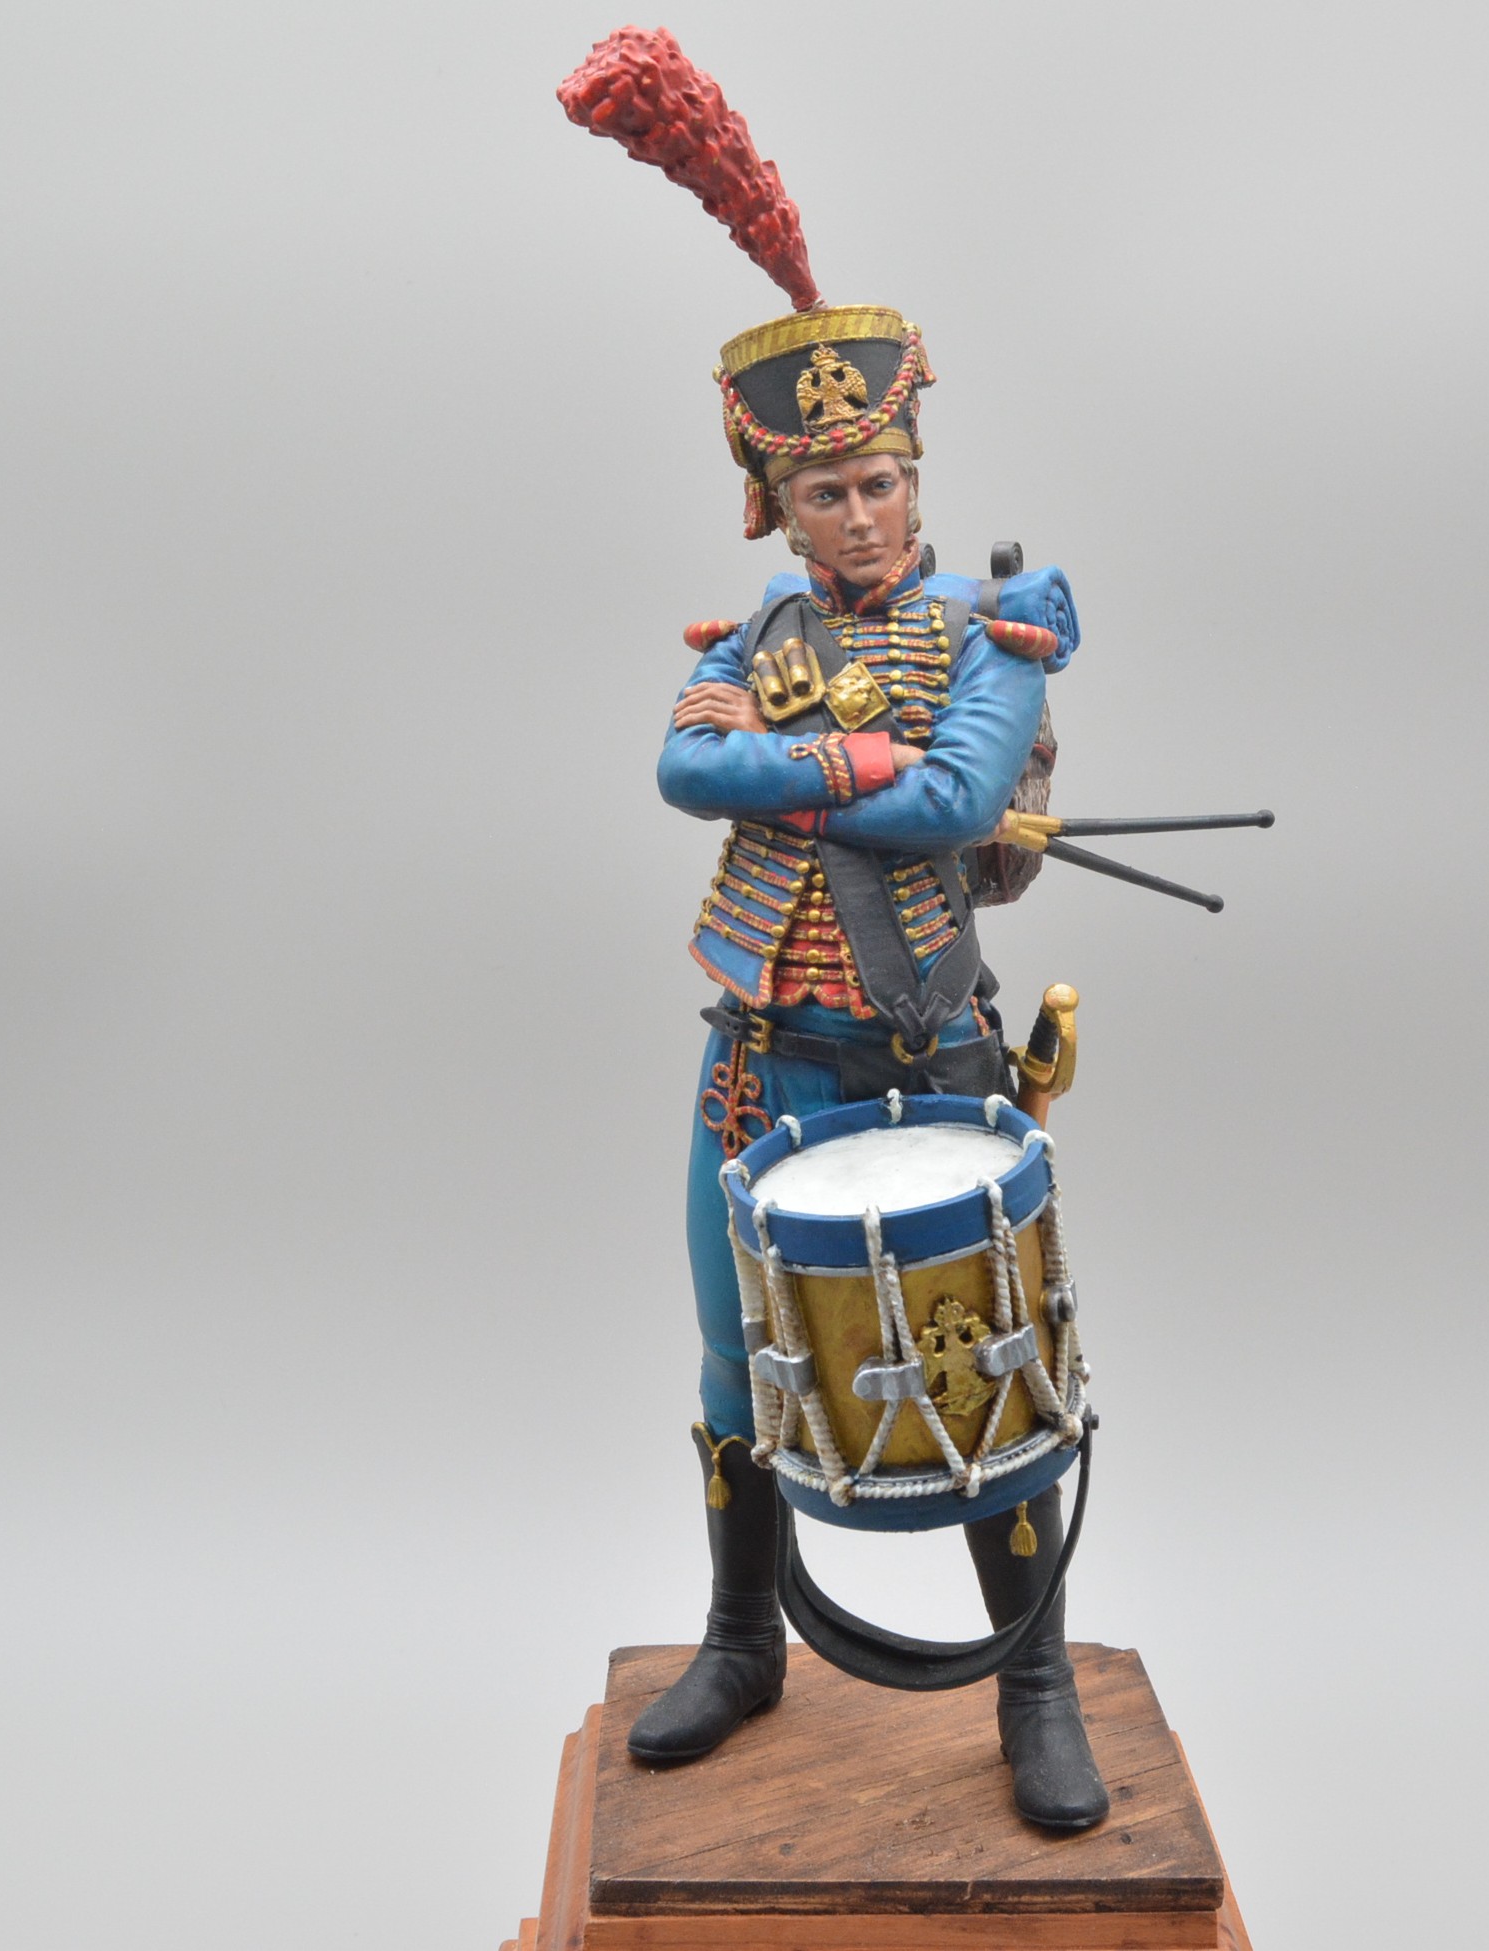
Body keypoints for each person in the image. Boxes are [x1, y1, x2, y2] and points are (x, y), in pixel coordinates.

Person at [626, 303, 1109, 1832]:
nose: (858, 514)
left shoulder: (990, 632)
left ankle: (1035, 1685)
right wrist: (857, 763)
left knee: (987, 1365)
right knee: (735, 1360)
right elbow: (684, 768)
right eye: (824, 490)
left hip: (926, 1052)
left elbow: (960, 805)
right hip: (760, 1059)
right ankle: (740, 1641)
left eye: (879, 482)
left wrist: (793, 783)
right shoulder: (759, 637)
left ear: (914, 481)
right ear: (781, 507)